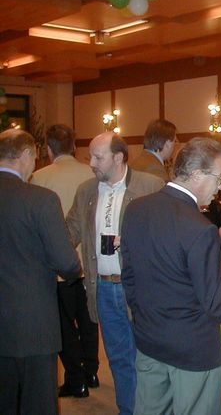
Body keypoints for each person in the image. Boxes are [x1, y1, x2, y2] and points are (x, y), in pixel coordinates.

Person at [121, 138, 221, 414]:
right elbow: (217, 304)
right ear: (196, 175)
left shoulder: (137, 209)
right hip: (192, 352)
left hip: (148, 342)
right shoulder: (200, 229)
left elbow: (129, 278)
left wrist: (146, 321)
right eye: (219, 178)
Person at [66, 132, 163, 415]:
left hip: (140, 288)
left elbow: (167, 234)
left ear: (118, 157)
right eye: (91, 157)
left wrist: (135, 241)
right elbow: (69, 231)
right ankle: (128, 410)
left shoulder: (150, 186)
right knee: (119, 358)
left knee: (149, 358)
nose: (91, 163)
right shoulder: (86, 191)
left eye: (98, 157)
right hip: (103, 289)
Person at [0, 129, 81, 415]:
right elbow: (66, 262)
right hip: (33, 321)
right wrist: (73, 272)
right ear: (26, 154)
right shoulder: (41, 199)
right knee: (38, 402)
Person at [31, 124, 99, 398]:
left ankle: (75, 377)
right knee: (89, 319)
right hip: (90, 263)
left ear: (48, 149)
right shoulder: (91, 173)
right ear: (73, 146)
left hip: (59, 266)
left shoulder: (39, 178)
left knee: (64, 325)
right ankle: (92, 370)